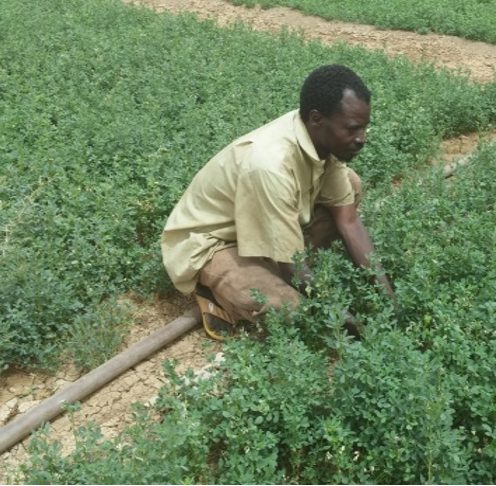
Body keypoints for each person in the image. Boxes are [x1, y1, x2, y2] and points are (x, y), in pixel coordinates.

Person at [161, 64, 394, 339]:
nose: (361, 139)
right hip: (216, 243)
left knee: (350, 186)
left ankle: (268, 265)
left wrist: (387, 299)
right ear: (317, 118)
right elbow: (291, 264)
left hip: (262, 222)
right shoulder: (270, 164)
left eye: (365, 128)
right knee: (289, 309)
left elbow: (349, 221)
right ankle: (214, 288)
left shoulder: (318, 138)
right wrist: (336, 314)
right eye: (353, 129)